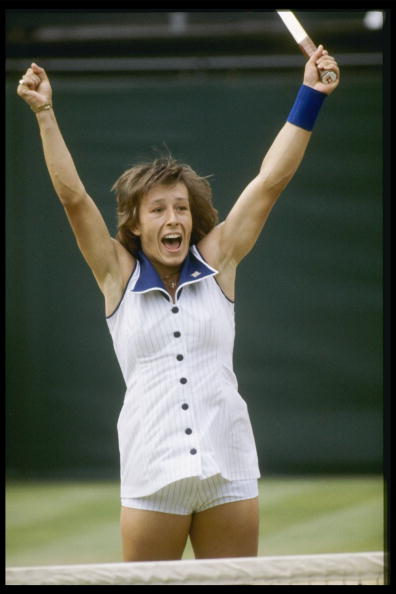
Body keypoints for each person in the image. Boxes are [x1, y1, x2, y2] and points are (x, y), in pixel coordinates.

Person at [17, 45, 339, 562]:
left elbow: (269, 182)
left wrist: (311, 95)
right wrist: (45, 113)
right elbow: (74, 199)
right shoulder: (115, 275)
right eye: (159, 209)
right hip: (153, 473)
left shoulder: (219, 261)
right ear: (137, 223)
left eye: (182, 208)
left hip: (229, 469)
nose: (174, 218)